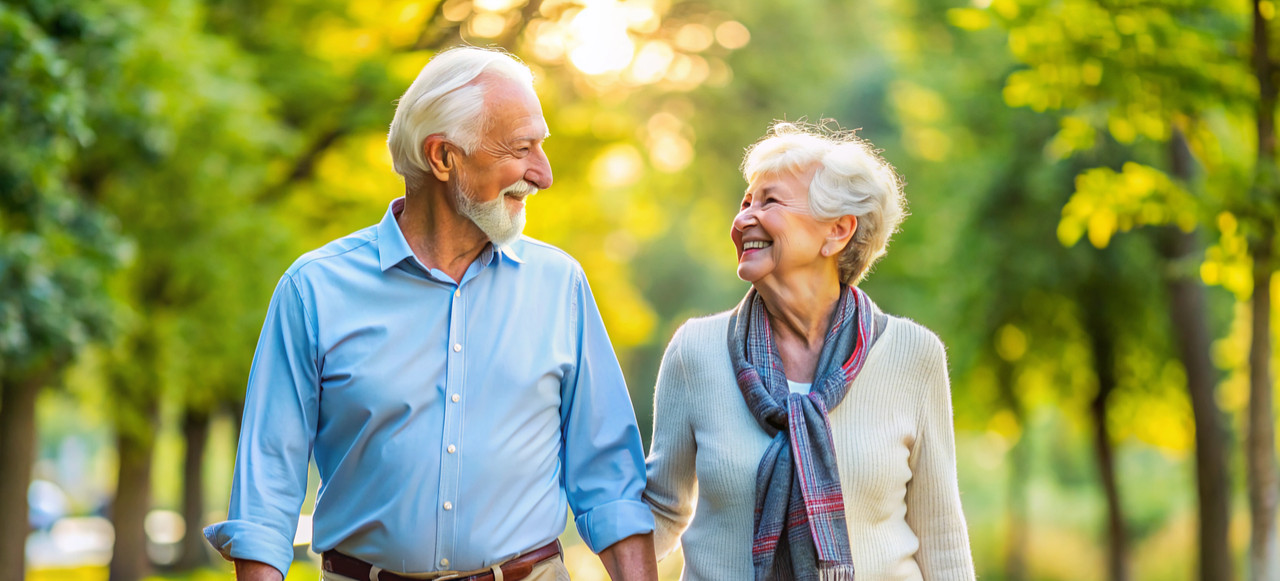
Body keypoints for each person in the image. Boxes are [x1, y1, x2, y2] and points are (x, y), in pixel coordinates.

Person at [204, 46, 658, 581]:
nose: (543, 173)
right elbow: (266, 492)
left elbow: (610, 481)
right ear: (443, 157)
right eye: (522, 148)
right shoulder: (314, 290)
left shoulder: (560, 286)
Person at [643, 122, 976, 580]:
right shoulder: (694, 352)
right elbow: (660, 509)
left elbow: (941, 536)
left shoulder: (912, 356)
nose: (743, 219)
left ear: (837, 231)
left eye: (770, 201)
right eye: (745, 203)